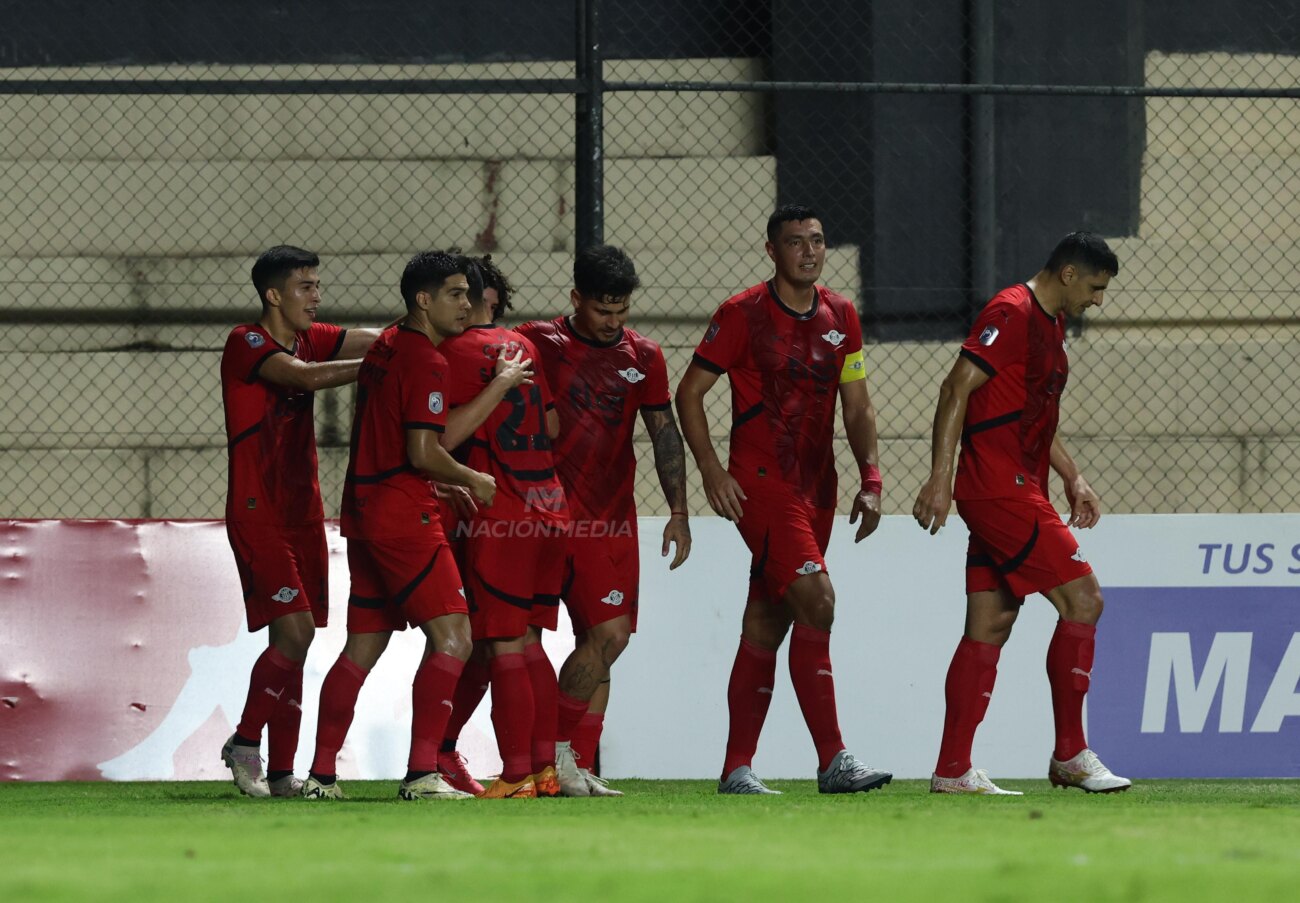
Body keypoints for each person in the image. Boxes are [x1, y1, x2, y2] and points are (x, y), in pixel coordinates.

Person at [676, 205, 891, 795]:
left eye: (818, 241)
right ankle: (834, 760)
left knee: (769, 619)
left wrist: (870, 478)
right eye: (795, 242)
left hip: (818, 488)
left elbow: (858, 404)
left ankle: (736, 769)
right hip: (762, 482)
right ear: (771, 250)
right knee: (818, 601)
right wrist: (713, 471)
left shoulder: (841, 315)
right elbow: (689, 392)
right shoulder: (742, 314)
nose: (809, 251)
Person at [301, 250, 528, 801]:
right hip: (405, 514)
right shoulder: (427, 359)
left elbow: (397, 442)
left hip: (367, 507)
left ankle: (321, 775)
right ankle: (422, 773)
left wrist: (436, 475)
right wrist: (471, 478)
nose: (467, 304)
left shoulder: (385, 346)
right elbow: (427, 450)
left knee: (362, 646)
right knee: (455, 636)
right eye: (455, 293)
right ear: (423, 300)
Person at [912, 231, 1131, 796]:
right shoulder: (1010, 312)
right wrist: (940, 478)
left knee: (989, 625)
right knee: (1085, 599)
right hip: (999, 489)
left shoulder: (1052, 325)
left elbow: (1028, 412)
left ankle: (952, 770)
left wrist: (1070, 473)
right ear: (1068, 275)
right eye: (1095, 288)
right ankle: (1070, 755)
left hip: (1015, 484)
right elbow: (955, 387)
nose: (1098, 301)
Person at [516, 244, 692, 797]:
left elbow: (665, 433)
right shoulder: (537, 342)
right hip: (540, 516)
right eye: (602, 311)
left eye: (621, 312)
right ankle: (549, 761)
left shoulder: (644, 356)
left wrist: (679, 511)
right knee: (524, 642)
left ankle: (570, 762)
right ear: (575, 299)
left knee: (607, 640)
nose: (614, 322)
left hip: (609, 520)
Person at [218, 245, 382, 798]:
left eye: (317, 285)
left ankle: (284, 772)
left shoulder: (310, 335)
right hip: (257, 509)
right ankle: (244, 743)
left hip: (303, 511)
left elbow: (378, 338)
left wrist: (424, 328)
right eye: (305, 286)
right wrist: (388, 363)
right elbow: (306, 379)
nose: (316, 295)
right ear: (273, 294)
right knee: (296, 631)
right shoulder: (248, 341)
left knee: (300, 641)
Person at [436, 258, 569, 799]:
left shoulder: (453, 351)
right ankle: (543, 770)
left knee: (504, 644)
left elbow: (437, 436)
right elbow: (554, 424)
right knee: (531, 640)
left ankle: (515, 775)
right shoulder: (525, 346)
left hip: (505, 509)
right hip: (551, 504)